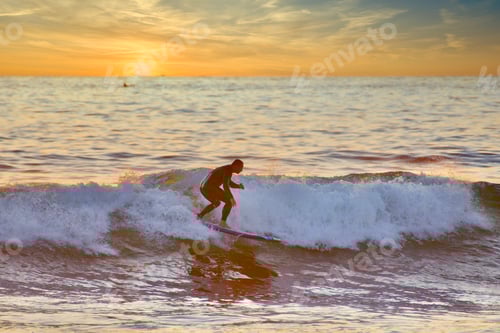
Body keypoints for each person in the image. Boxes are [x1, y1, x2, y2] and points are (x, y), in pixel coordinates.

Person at [197, 159, 245, 228]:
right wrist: (231, 198)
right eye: (241, 168)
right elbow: (226, 186)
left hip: (203, 187)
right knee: (229, 202)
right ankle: (223, 223)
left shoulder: (226, 169)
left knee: (216, 203)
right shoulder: (228, 170)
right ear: (235, 166)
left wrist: (238, 186)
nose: (241, 170)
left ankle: (199, 216)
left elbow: (229, 183)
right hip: (210, 187)